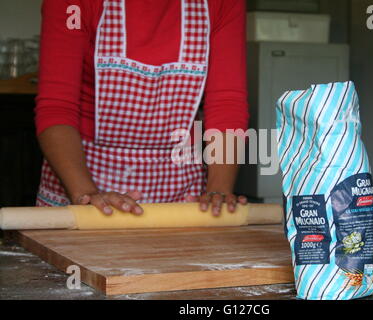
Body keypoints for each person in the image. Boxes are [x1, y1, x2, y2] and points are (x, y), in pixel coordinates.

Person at [34, 0, 249, 216]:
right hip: (80, 177)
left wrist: (219, 189)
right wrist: (86, 194)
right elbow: (57, 106)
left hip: (181, 189)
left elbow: (226, 103)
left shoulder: (222, 3)